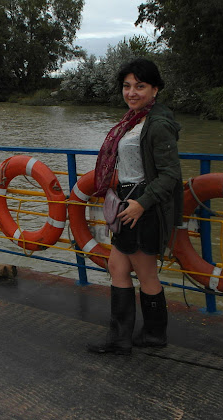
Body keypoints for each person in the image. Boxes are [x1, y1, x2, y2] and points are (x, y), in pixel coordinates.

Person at [87, 58, 183, 356]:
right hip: (130, 201)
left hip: (143, 205)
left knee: (146, 273)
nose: (132, 92)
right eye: (127, 86)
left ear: (155, 89)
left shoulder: (157, 124)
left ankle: (144, 336)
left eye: (140, 86)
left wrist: (141, 204)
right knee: (119, 266)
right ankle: (133, 337)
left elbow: (170, 175)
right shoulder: (135, 119)